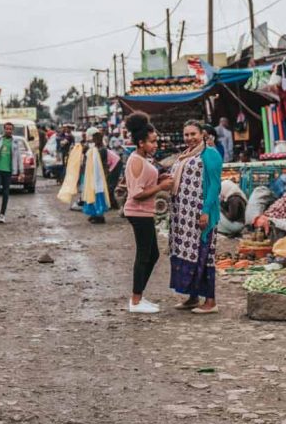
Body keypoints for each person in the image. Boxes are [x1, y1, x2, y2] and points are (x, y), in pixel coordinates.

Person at [168, 120, 221, 314]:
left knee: (204, 256)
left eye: (193, 134)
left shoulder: (210, 154)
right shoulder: (185, 155)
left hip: (201, 215)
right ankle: (192, 297)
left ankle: (211, 302)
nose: (189, 138)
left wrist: (205, 211)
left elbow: (215, 186)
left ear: (203, 135)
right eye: (186, 135)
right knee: (189, 254)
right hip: (183, 217)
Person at [122, 112, 173, 313]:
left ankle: (139, 296)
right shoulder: (136, 160)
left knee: (153, 255)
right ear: (141, 142)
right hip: (138, 212)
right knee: (144, 255)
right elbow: (136, 193)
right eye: (152, 142)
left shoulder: (142, 159)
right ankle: (135, 301)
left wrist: (159, 178)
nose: (156, 145)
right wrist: (161, 187)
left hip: (145, 212)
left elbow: (144, 181)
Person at [81, 128, 112, 224]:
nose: (93, 140)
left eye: (95, 139)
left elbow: (98, 162)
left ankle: (100, 215)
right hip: (93, 175)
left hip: (99, 176)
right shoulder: (95, 149)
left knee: (99, 194)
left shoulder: (102, 150)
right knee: (93, 194)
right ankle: (94, 213)